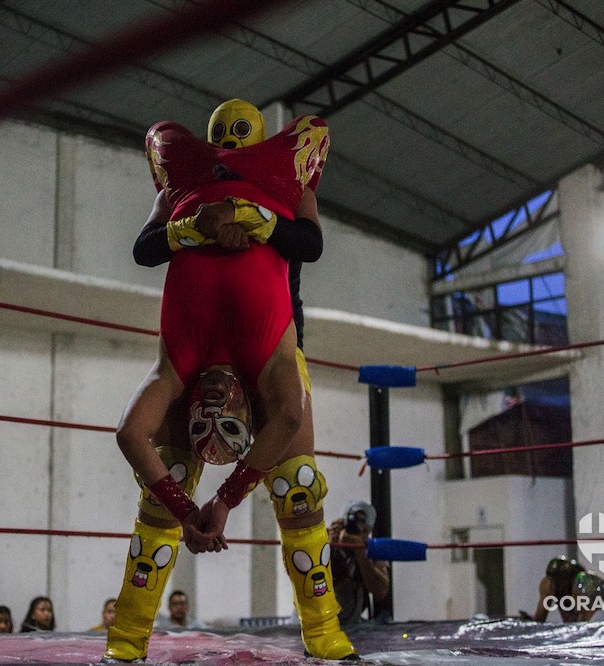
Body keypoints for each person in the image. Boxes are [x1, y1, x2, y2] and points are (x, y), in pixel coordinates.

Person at [103, 100, 355, 663]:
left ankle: (323, 633)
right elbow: (145, 248)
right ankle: (126, 641)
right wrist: (194, 226)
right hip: (242, 338)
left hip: (266, 335)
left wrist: (258, 221)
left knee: (296, 488)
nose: (234, 147)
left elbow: (310, 245)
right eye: (226, 140)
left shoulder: (286, 184)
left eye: (242, 139)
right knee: (175, 487)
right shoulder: (182, 188)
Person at [328, 500, 390, 625]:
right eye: (351, 523)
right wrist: (330, 547)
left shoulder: (373, 549)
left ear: (368, 531)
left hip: (350, 622)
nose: (354, 528)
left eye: (362, 526)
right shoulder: (325, 540)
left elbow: (380, 591)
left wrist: (360, 552)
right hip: (316, 622)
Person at [531, 556, 585, 623]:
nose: (557, 584)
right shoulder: (549, 585)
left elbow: (585, 619)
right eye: (554, 580)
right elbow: (540, 618)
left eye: (561, 579)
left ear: (570, 578)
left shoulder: (581, 584)